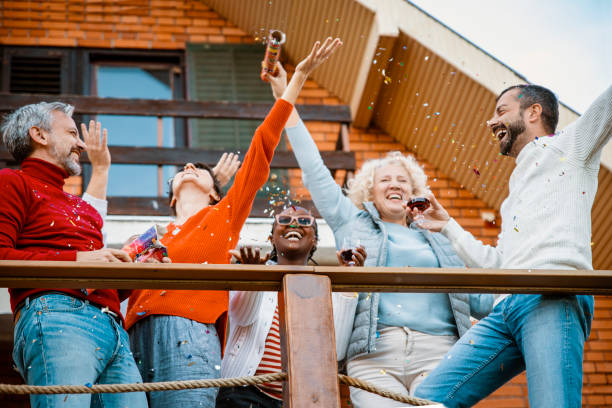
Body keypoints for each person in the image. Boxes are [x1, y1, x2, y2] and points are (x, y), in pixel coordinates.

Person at [123, 37, 343, 408]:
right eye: (182, 170)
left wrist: (297, 79)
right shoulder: (151, 236)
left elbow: (261, 146)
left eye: (201, 170)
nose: (189, 167)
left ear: (215, 192)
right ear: (172, 195)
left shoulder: (222, 216)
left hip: (188, 336)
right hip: (135, 336)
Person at [268, 64, 494, 407]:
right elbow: (314, 169)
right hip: (374, 355)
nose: (394, 184)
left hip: (438, 351)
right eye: (385, 179)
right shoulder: (352, 221)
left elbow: (479, 298)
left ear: (412, 191)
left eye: (402, 180)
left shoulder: (438, 235)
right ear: (369, 191)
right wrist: (287, 96)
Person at [413, 84, 612, 407]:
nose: (491, 121)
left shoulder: (571, 145)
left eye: (501, 110)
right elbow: (498, 266)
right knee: (428, 398)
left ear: (533, 112)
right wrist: (448, 226)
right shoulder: (514, 194)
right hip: (505, 308)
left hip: (551, 294)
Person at [0, 103, 147, 407]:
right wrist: (79, 260)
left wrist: (138, 270)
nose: (80, 143)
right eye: (71, 132)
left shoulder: (84, 209)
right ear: (38, 134)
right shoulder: (12, 182)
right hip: (56, 315)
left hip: (114, 329)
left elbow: (104, 287)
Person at [216, 206, 365, 408]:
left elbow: (335, 350)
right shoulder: (254, 268)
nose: (294, 224)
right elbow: (242, 317)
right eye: (284, 219)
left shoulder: (324, 287)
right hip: (244, 393)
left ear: (315, 241)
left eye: (304, 221)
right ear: (271, 239)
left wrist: (349, 281)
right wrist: (253, 278)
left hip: (304, 398)